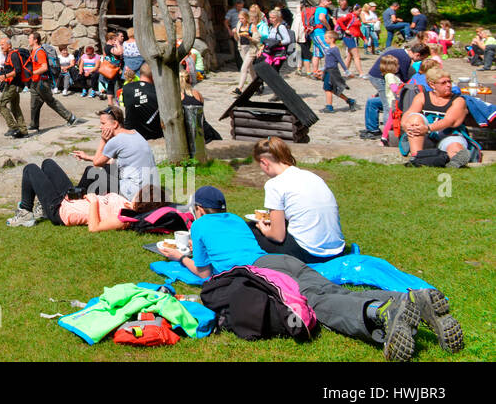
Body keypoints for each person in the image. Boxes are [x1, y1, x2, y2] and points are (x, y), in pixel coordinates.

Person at [250, 255, 463, 361]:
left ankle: (381, 312)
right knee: (338, 291)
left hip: (258, 267)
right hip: (288, 260)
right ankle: (410, 299)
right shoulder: (235, 222)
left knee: (316, 302)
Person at [249, 137, 346, 263]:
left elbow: (278, 236)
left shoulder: (274, 184)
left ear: (265, 162)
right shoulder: (312, 176)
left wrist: (265, 230)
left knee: (249, 229)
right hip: (337, 250)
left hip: (311, 253)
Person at [7, 161, 166, 229]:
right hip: (71, 198)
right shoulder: (125, 202)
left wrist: (94, 202)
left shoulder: (124, 218)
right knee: (48, 163)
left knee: (30, 169)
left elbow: (94, 227)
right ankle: (41, 209)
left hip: (60, 210)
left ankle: (25, 214)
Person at [156, 185, 263, 280]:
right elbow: (229, 245)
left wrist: (180, 257)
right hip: (263, 263)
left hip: (241, 274)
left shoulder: (199, 224)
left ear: (199, 209)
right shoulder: (236, 218)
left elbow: (204, 273)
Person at [69, 104, 157, 199]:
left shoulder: (117, 140)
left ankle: (74, 199)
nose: (100, 127)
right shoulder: (134, 133)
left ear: (115, 124)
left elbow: (96, 163)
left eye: (103, 123)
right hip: (151, 190)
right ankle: (94, 199)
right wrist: (87, 157)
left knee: (90, 171)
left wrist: (103, 140)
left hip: (133, 193)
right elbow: (112, 162)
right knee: (109, 168)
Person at [402, 72, 476, 162]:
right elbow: (409, 113)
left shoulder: (458, 100)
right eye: (443, 83)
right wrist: (405, 125)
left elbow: (449, 121)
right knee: (414, 119)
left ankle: (454, 161)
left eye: (449, 82)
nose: (448, 85)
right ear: (432, 85)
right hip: (425, 136)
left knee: (456, 149)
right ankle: (417, 158)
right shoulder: (422, 97)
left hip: (449, 135)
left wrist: (428, 128)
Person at [26, 31, 78, 132]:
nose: (28, 40)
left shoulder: (39, 52)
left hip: (42, 82)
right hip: (35, 82)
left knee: (51, 101)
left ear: (35, 40)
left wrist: (32, 73)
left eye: (30, 38)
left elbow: (44, 67)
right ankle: (34, 124)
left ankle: (70, 118)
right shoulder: (33, 50)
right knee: (34, 104)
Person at [363, 54, 405, 145]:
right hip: (393, 102)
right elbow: (393, 87)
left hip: (395, 101)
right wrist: (400, 90)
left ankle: (386, 137)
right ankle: (384, 138)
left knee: (391, 120)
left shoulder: (392, 75)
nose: (398, 66)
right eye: (396, 65)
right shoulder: (390, 76)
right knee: (390, 121)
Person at [0, 37, 31, 138]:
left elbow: (18, 70)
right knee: (15, 108)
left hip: (14, 85)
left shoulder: (13, 55)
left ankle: (13, 127)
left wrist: (4, 76)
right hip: (13, 84)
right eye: (0, 44)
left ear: (9, 45)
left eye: (3, 44)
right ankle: (23, 131)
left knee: (1, 105)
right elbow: (9, 69)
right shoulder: (9, 55)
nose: (1, 47)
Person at [121, 62, 162, 139]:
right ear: (154, 75)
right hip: (153, 135)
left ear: (140, 73)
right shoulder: (158, 92)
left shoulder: (126, 88)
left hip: (131, 134)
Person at [320, 40, 357, 113]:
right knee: (333, 90)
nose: (325, 39)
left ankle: (329, 107)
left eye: (326, 38)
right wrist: (322, 69)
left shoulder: (335, 49)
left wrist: (347, 71)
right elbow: (328, 62)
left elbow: (340, 60)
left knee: (327, 89)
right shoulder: (329, 49)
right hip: (327, 71)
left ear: (331, 39)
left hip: (332, 72)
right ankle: (349, 101)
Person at [225, 0, 246, 68]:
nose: (239, 8)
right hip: (235, 31)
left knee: (245, 47)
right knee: (237, 49)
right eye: (238, 7)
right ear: (235, 6)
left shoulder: (245, 11)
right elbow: (226, 21)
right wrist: (229, 30)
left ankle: (246, 64)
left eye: (240, 6)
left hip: (244, 31)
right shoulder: (231, 12)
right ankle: (239, 65)